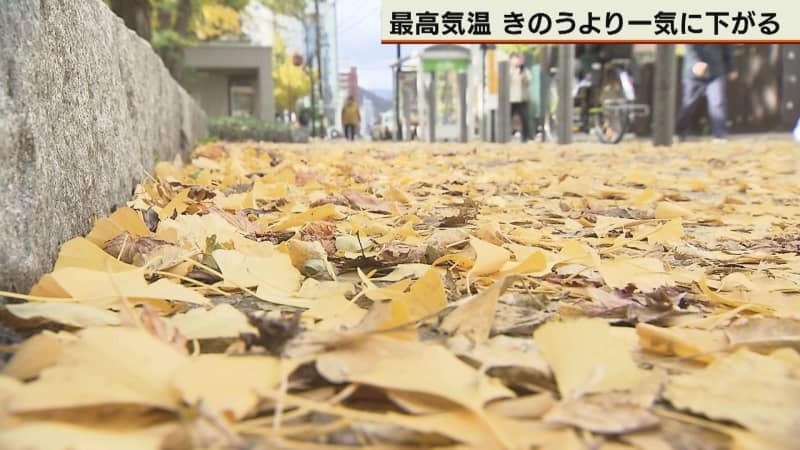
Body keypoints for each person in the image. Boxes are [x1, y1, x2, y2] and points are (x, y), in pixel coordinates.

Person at [676, 45, 738, 140]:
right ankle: (680, 132)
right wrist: (695, 63)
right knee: (688, 103)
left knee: (717, 102)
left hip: (715, 72)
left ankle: (719, 134)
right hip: (693, 74)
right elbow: (690, 47)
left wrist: (731, 68)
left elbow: (727, 49)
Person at [509, 52, 532, 142]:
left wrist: (523, 71)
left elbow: (528, 79)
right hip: (511, 98)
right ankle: (506, 136)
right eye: (515, 59)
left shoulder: (524, 70)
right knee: (507, 118)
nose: (517, 61)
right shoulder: (508, 69)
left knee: (525, 118)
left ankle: (525, 137)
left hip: (522, 98)